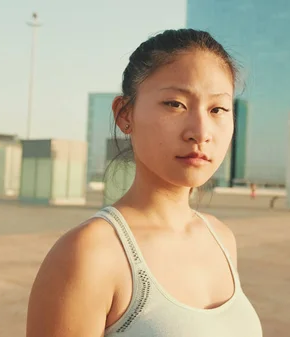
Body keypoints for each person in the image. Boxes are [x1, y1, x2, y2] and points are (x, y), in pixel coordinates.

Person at [26, 29, 262, 337]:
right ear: (125, 115)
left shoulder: (220, 237)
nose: (200, 131)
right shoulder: (91, 253)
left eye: (217, 109)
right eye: (175, 104)